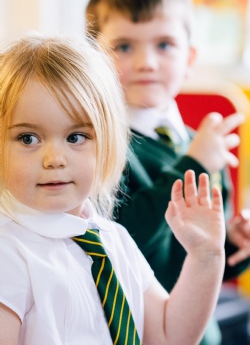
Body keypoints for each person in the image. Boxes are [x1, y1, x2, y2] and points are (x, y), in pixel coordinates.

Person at [0, 34, 226, 345]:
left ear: (108, 143)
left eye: (76, 137)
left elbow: (167, 336)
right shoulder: (8, 253)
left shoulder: (114, 239)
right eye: (28, 138)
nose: (54, 159)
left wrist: (206, 256)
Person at [85, 0, 250, 344]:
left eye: (164, 45)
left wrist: (236, 244)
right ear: (93, 58)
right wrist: (193, 165)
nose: (146, 62)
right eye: (124, 46)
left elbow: (200, 256)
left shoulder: (200, 144)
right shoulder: (96, 145)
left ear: (190, 58)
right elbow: (123, 244)